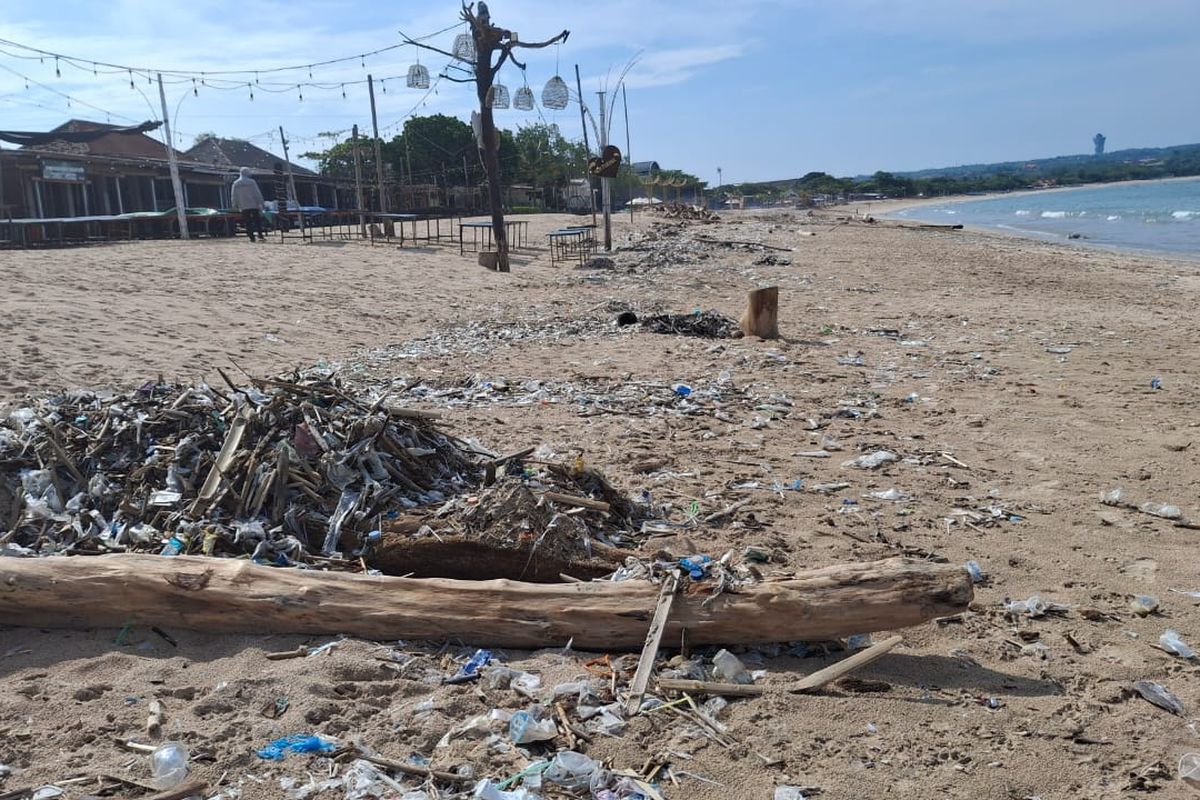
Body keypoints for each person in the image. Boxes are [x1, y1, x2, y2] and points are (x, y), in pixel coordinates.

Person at [230, 166, 266, 242]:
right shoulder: (252, 182)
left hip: (243, 206)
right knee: (257, 221)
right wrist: (261, 203)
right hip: (254, 204)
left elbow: (234, 195)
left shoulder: (236, 183)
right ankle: (260, 234)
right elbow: (257, 193)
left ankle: (251, 237)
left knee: (247, 222)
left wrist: (234, 204)